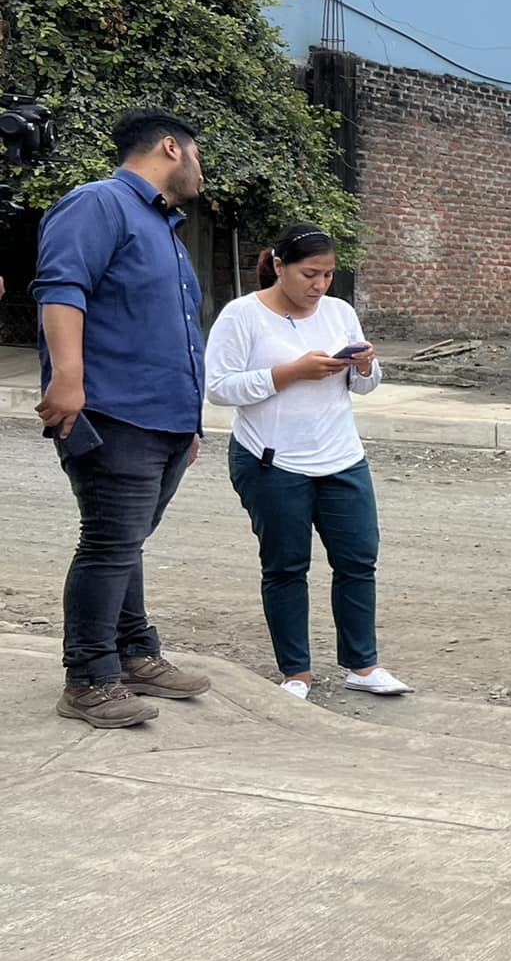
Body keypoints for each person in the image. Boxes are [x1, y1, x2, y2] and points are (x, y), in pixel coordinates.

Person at [31, 107, 213, 728]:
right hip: (114, 413)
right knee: (108, 543)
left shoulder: (160, 225)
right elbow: (62, 289)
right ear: (171, 148)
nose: (201, 172)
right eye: (197, 157)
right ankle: (88, 679)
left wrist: (188, 423)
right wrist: (67, 379)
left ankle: (133, 652)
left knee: (124, 541)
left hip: (164, 420)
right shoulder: (98, 204)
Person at [205, 225, 408, 700]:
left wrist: (364, 365)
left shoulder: (339, 312)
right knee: (286, 566)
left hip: (341, 457)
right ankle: (296, 673)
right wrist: (291, 372)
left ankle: (363, 665)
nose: (320, 285)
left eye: (328, 275)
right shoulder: (242, 315)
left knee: (358, 560)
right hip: (271, 461)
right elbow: (218, 388)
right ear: (279, 266)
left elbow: (364, 386)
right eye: (310, 274)